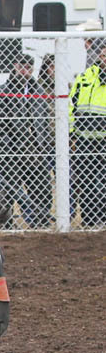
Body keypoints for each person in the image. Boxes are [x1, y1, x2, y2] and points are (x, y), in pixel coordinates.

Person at [0, 53, 52, 228]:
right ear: (14, 67)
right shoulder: (2, 92)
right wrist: (1, 150)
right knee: (7, 191)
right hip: (10, 152)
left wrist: (43, 145)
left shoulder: (38, 93)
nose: (24, 71)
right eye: (21, 66)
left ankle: (39, 223)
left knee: (41, 188)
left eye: (28, 68)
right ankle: (6, 224)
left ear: (32, 69)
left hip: (34, 151)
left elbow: (44, 123)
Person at [69, 38, 106, 226]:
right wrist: (71, 133)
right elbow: (72, 105)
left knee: (103, 184)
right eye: (103, 52)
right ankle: (90, 222)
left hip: (103, 142)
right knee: (86, 183)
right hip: (84, 141)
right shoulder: (86, 77)